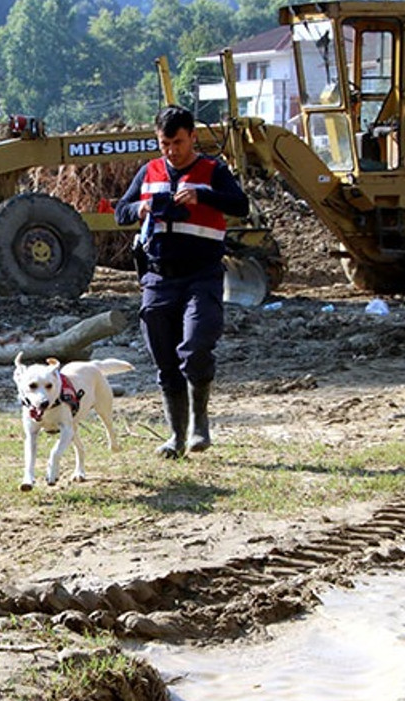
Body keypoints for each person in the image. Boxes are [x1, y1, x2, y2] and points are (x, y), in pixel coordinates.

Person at [114, 105, 249, 458]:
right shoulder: (149, 171)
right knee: (165, 361)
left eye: (177, 142)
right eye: (164, 143)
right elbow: (119, 211)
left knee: (195, 346)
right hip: (158, 278)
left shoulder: (213, 171)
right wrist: (139, 210)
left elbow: (240, 205)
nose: (171, 150)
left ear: (192, 137)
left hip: (201, 275)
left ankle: (199, 424)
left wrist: (202, 195)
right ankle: (176, 437)